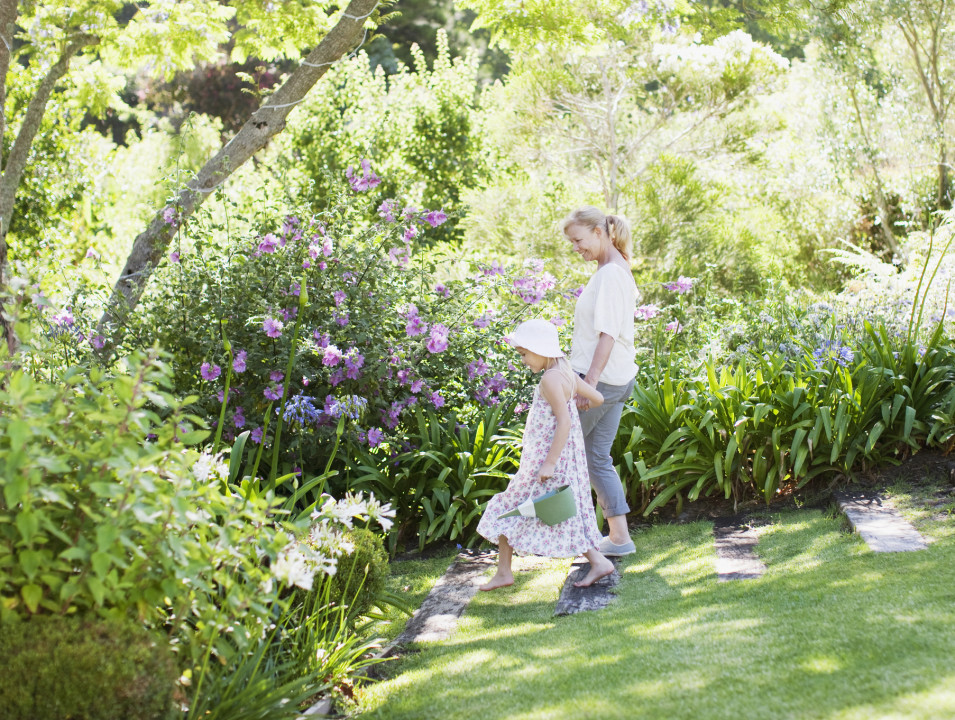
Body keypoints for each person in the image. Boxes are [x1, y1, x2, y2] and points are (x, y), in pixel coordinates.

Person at [476, 319, 615, 590]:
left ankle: (506, 571)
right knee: (555, 511)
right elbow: (597, 398)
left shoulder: (551, 379)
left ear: (541, 349)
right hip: (562, 461)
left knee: (512, 508)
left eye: (525, 353)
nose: (524, 360)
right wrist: (576, 398)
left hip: (547, 461)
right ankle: (506, 570)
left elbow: (563, 422)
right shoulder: (565, 372)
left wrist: (549, 463)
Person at [562, 206, 638, 557]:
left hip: (600, 382)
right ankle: (619, 538)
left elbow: (607, 335)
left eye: (578, 240)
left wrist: (587, 385)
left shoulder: (610, 274)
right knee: (595, 458)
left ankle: (566, 537)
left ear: (598, 232)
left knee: (559, 454)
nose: (576, 247)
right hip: (618, 380)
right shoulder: (616, 268)